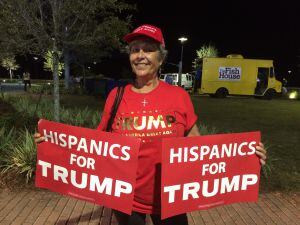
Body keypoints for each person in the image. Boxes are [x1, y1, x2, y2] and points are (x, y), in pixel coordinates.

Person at [34, 24, 267, 225]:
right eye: (135, 50)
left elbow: (195, 141)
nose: (140, 55)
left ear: (161, 57)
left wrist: (244, 156)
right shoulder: (116, 95)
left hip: (171, 197)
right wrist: (54, 145)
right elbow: (94, 144)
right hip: (127, 198)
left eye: (148, 49)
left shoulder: (178, 96)